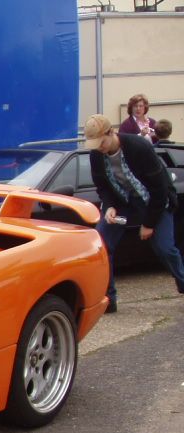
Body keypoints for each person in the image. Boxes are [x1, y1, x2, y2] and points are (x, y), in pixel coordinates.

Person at [84, 113, 184, 313]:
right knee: (102, 244)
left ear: (110, 133)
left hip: (154, 201)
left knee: (164, 248)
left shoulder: (139, 147)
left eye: (101, 143)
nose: (99, 148)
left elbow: (160, 188)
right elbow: (101, 185)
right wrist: (110, 205)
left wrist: (149, 224)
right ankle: (108, 298)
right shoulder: (96, 154)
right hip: (123, 203)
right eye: (95, 144)